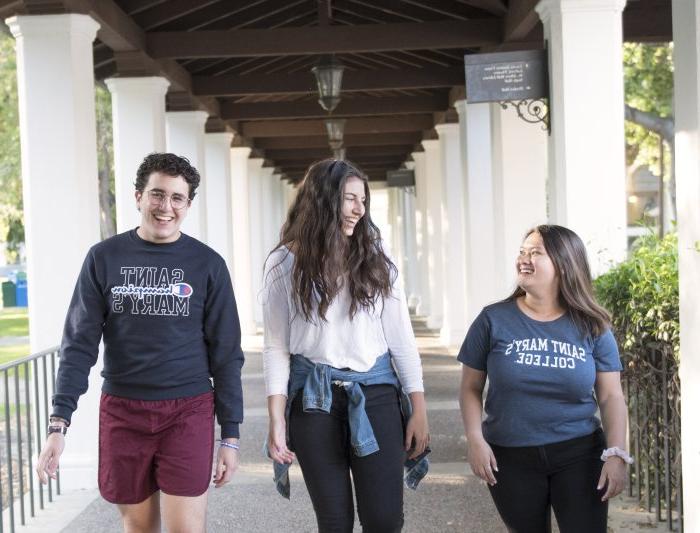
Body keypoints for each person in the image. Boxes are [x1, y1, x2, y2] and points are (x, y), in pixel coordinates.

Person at [35, 153, 245, 533]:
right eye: (157, 194)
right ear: (138, 197)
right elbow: (79, 344)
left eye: (177, 198)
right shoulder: (104, 258)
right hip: (123, 411)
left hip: (188, 409)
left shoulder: (207, 264)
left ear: (188, 205)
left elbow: (227, 352)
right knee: (140, 530)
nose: (166, 207)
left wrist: (230, 434)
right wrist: (58, 424)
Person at [262, 159, 429, 533]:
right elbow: (275, 348)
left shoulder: (376, 258)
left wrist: (419, 408)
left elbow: (402, 339)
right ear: (323, 200)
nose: (359, 209)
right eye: (349, 199)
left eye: (363, 200)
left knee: (384, 519)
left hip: (377, 394)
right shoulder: (283, 262)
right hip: (312, 399)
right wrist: (276, 418)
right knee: (334, 521)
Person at [458, 224, 630, 533]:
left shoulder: (593, 325)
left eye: (536, 253)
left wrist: (617, 453)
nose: (524, 258)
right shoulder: (492, 319)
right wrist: (475, 439)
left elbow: (611, 396)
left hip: (579, 453)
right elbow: (470, 387)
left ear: (564, 265)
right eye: (522, 251)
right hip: (509, 457)